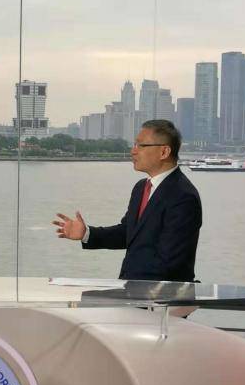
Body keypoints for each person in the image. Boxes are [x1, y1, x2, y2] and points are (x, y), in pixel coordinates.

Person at [53, 119, 202, 282]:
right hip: (132, 289)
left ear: (164, 152)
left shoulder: (183, 196)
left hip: (159, 294)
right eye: (134, 145)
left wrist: (125, 290)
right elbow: (128, 232)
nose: (133, 151)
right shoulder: (141, 188)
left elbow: (171, 262)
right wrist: (86, 233)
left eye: (141, 145)